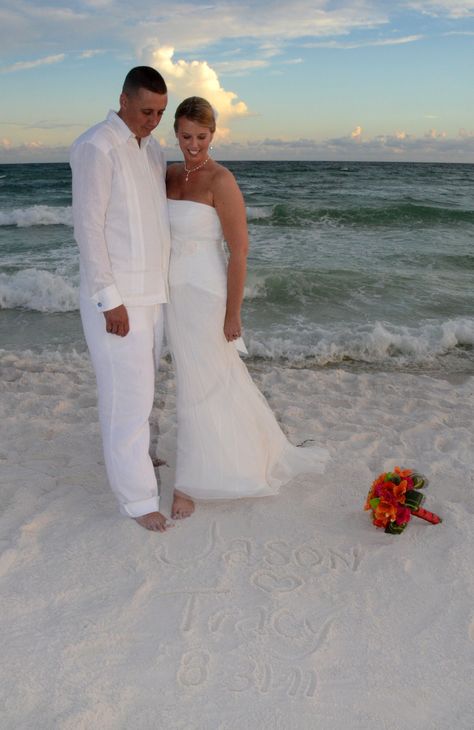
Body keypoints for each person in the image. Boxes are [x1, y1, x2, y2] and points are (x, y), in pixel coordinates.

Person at [165, 97, 328, 515]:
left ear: (213, 134)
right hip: (171, 295)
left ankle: (189, 482)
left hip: (206, 294)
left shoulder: (221, 180)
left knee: (204, 384)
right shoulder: (165, 174)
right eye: (186, 136)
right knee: (198, 380)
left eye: (202, 136)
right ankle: (234, 451)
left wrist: (232, 313)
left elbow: (239, 251)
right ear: (176, 134)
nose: (194, 145)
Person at [70, 66, 177, 532]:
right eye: (146, 111)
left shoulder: (152, 150)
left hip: (153, 293)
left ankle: (138, 459)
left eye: (160, 113)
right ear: (123, 99)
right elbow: (89, 228)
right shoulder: (97, 146)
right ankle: (136, 500)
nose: (153, 120)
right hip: (119, 299)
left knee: (144, 391)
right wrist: (108, 299)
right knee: (126, 399)